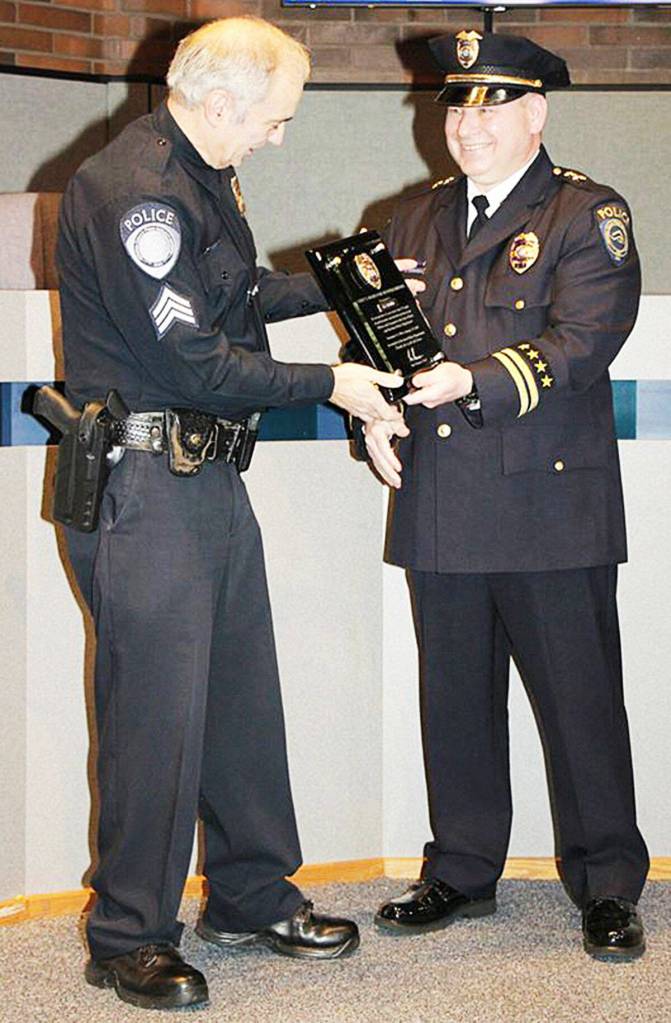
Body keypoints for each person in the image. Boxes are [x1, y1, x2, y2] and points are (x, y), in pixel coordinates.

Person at [56, 16, 404, 1011]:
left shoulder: (202, 178)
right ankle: (127, 934)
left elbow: (235, 294)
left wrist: (358, 290)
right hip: (141, 487)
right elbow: (191, 363)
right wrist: (335, 380)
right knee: (154, 722)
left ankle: (249, 893)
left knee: (243, 701)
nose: (276, 136)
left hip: (201, 479)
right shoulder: (137, 195)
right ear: (222, 104)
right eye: (275, 119)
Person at [363, 30, 649, 961]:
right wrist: (374, 417)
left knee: (579, 706)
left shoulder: (584, 213)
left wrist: (470, 380)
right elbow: (384, 347)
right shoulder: (407, 216)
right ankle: (461, 867)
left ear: (536, 114)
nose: (467, 124)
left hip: (545, 507)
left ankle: (607, 883)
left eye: (491, 105)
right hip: (441, 499)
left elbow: (583, 341)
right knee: (452, 698)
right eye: (456, 105)